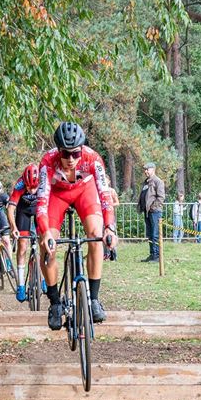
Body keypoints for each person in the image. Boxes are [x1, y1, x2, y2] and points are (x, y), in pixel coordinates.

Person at [37, 121, 118, 329]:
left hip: (84, 191)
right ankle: (55, 303)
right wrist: (45, 232)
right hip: (57, 194)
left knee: (95, 235)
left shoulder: (92, 158)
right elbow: (42, 202)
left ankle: (93, 299)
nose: (71, 159)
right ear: (58, 151)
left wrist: (109, 227)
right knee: (47, 246)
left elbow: (104, 194)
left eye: (75, 153)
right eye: (66, 154)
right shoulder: (47, 161)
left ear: (82, 149)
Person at [8, 164, 41, 302]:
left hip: (39, 209)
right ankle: (21, 284)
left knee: (44, 242)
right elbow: (10, 209)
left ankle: (44, 277)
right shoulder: (20, 185)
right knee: (22, 247)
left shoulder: (44, 182)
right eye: (29, 187)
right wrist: (13, 227)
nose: (32, 191)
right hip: (23, 211)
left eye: (35, 188)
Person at [137, 162, 165, 262]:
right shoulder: (146, 182)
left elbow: (161, 197)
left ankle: (157, 256)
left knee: (155, 234)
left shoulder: (158, 181)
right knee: (149, 233)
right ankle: (152, 254)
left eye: (147, 169)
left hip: (155, 212)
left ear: (153, 169)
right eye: (145, 170)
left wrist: (153, 207)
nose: (145, 171)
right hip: (147, 211)